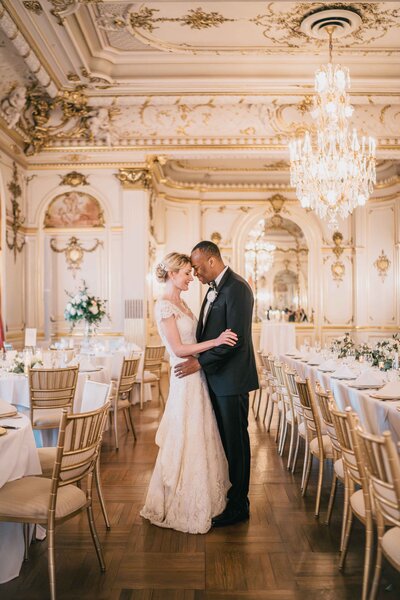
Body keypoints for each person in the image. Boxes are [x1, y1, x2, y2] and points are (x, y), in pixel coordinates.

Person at [140, 252, 236, 534]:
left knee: (201, 433)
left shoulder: (182, 303)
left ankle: (206, 496)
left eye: (192, 273)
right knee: (186, 434)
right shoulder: (164, 307)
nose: (192, 278)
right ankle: (180, 501)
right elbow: (179, 349)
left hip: (197, 375)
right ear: (172, 274)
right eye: (186, 273)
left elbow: (194, 339)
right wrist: (216, 342)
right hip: (185, 375)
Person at [175, 241, 259, 527]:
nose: (195, 274)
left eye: (197, 268)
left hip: (232, 380)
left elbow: (235, 340)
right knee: (224, 441)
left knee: (236, 443)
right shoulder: (213, 290)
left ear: (212, 262)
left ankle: (239, 504)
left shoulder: (237, 288)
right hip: (216, 378)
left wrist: (199, 363)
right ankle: (229, 495)